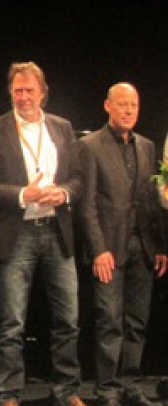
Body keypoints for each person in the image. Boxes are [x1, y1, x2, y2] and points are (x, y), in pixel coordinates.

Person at [0, 62, 85, 406]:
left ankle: (67, 390)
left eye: (29, 91)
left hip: (57, 230)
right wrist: (25, 194)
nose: (23, 97)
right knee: (12, 321)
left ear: (43, 93)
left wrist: (63, 193)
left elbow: (78, 178)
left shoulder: (62, 127)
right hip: (16, 233)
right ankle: (8, 393)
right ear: (10, 92)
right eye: (17, 90)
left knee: (68, 318)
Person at [77, 83, 167, 406]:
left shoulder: (147, 146)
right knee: (110, 321)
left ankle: (131, 384)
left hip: (142, 246)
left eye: (134, 105)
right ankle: (108, 389)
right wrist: (98, 249)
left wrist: (159, 245)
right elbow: (86, 204)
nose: (128, 110)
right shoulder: (90, 146)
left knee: (137, 321)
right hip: (109, 249)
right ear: (107, 106)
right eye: (122, 104)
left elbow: (151, 202)